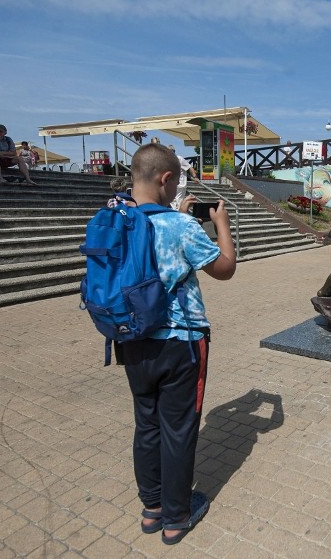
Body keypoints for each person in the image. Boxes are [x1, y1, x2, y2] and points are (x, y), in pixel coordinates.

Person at [121, 143, 236, 545]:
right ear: (166, 179)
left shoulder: (116, 218)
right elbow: (224, 269)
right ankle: (176, 517)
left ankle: (151, 508)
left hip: (132, 340)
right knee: (179, 429)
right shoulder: (180, 226)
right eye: (176, 183)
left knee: (147, 425)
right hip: (180, 343)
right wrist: (220, 223)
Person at [168, 145, 199, 211]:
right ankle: (177, 214)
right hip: (172, 184)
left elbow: (190, 168)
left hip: (181, 184)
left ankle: (178, 215)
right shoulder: (167, 160)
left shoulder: (179, 158)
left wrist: (195, 177)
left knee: (178, 201)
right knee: (173, 201)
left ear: (173, 152)